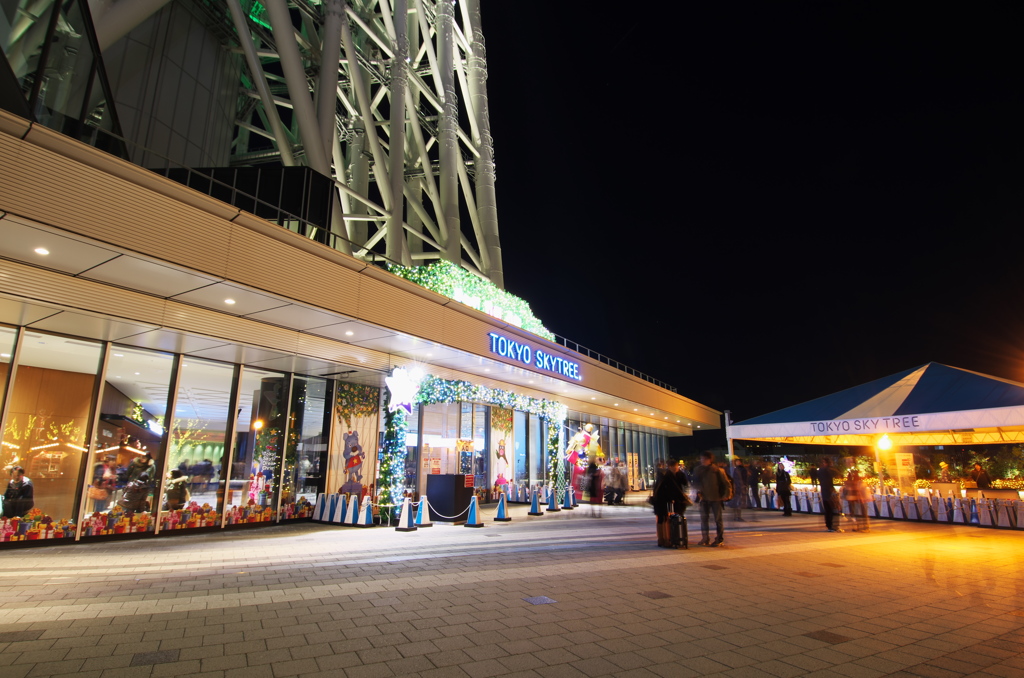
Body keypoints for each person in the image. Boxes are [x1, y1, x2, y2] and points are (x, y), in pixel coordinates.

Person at [693, 452, 730, 547]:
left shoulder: (717, 470)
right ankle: (705, 538)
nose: (702, 461)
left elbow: (726, 483)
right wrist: (697, 491)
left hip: (716, 498)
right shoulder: (698, 470)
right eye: (701, 459)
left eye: (704, 459)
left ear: (710, 460)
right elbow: (695, 483)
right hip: (703, 498)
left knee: (718, 519)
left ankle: (719, 539)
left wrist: (726, 494)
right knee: (704, 519)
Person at [652, 459, 688, 548]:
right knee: (664, 519)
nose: (676, 468)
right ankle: (665, 540)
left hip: (660, 500)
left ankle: (662, 539)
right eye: (675, 467)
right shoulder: (667, 475)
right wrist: (682, 498)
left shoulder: (662, 474)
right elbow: (673, 488)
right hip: (662, 500)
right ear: (670, 467)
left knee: (662, 519)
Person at [817, 458, 842, 532]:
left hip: (824, 492)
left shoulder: (820, 471)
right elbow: (838, 474)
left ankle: (829, 525)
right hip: (829, 492)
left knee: (827, 510)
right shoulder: (828, 470)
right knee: (833, 509)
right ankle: (833, 526)